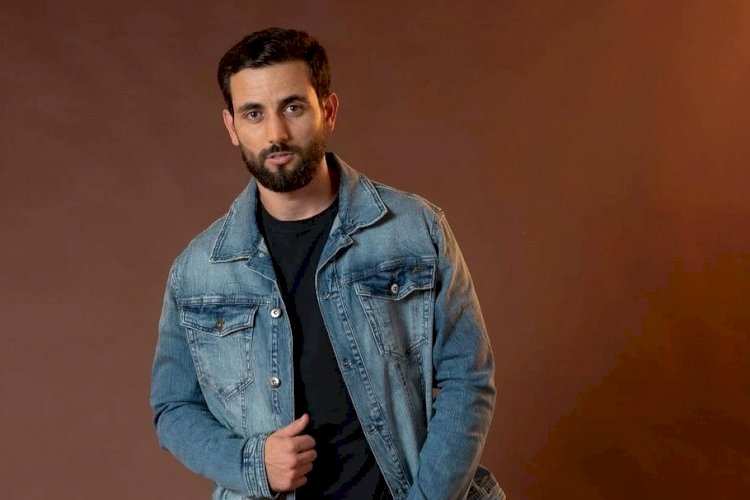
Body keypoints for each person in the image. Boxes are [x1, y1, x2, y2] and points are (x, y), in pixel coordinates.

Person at [150, 27, 503, 500]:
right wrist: (252, 464)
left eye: (293, 107)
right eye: (254, 113)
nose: (275, 133)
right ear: (232, 127)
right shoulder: (197, 271)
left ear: (328, 111)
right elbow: (173, 407)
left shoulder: (415, 230)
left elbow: (468, 378)